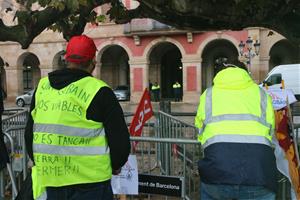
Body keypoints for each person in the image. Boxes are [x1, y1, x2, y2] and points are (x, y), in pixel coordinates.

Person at [25, 35, 131, 200]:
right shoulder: (100, 91)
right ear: (93, 63)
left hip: (52, 180)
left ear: (66, 59)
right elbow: (120, 140)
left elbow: (29, 133)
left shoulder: (42, 87)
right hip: (92, 183)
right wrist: (116, 165)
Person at [195, 61, 277, 200]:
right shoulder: (262, 94)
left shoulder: (208, 94)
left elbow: (200, 132)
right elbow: (270, 132)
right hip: (258, 173)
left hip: (216, 171)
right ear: (245, 72)